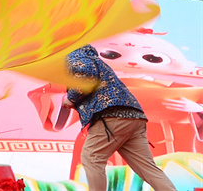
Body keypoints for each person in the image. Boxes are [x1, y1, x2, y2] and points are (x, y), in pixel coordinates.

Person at [62, 45, 177, 191]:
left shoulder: (74, 55)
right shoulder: (90, 57)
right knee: (147, 167)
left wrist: (71, 98)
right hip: (134, 117)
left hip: (111, 115)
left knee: (91, 157)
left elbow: (86, 74)